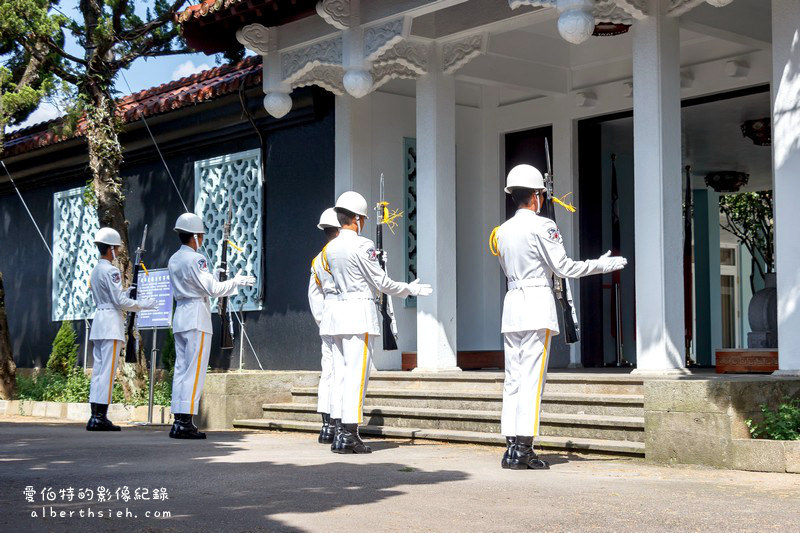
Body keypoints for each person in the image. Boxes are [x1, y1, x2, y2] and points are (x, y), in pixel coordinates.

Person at [491, 164, 627, 470]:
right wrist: (601, 265)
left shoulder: (502, 231)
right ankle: (524, 448)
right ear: (537, 196)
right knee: (531, 379)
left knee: (512, 379)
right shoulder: (543, 227)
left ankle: (511, 446)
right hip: (537, 305)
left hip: (512, 306)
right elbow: (564, 268)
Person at [321, 191, 432, 454]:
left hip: (336, 316)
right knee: (357, 376)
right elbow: (381, 283)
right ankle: (349, 433)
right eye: (363, 219)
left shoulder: (330, 248)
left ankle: (339, 431)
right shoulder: (362, 245)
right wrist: (408, 289)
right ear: (357, 219)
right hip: (358, 313)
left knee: (341, 375)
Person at [168, 213, 255, 439]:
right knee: (194, 371)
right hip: (197, 316)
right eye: (202, 235)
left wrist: (215, 278)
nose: (203, 239)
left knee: (181, 369)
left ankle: (178, 418)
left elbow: (200, 283)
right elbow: (212, 290)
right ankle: (186, 421)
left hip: (181, 316)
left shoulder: (174, 259)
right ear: (196, 236)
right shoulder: (196, 259)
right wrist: (235, 282)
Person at [87, 227, 156, 431]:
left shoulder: (97, 270)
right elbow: (119, 301)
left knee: (99, 372)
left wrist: (126, 291)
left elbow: (111, 295)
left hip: (100, 321)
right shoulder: (112, 270)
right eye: (116, 248)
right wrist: (142, 304)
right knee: (107, 372)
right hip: (110, 324)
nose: (117, 251)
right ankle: (100, 418)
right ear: (110, 249)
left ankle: (95, 416)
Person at [308, 207, 341, 444]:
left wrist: (322, 319)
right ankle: (339, 422)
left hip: (327, 315)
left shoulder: (318, 258)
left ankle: (326, 426)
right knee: (341, 371)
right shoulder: (343, 254)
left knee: (327, 371)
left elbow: (313, 295)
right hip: (343, 311)